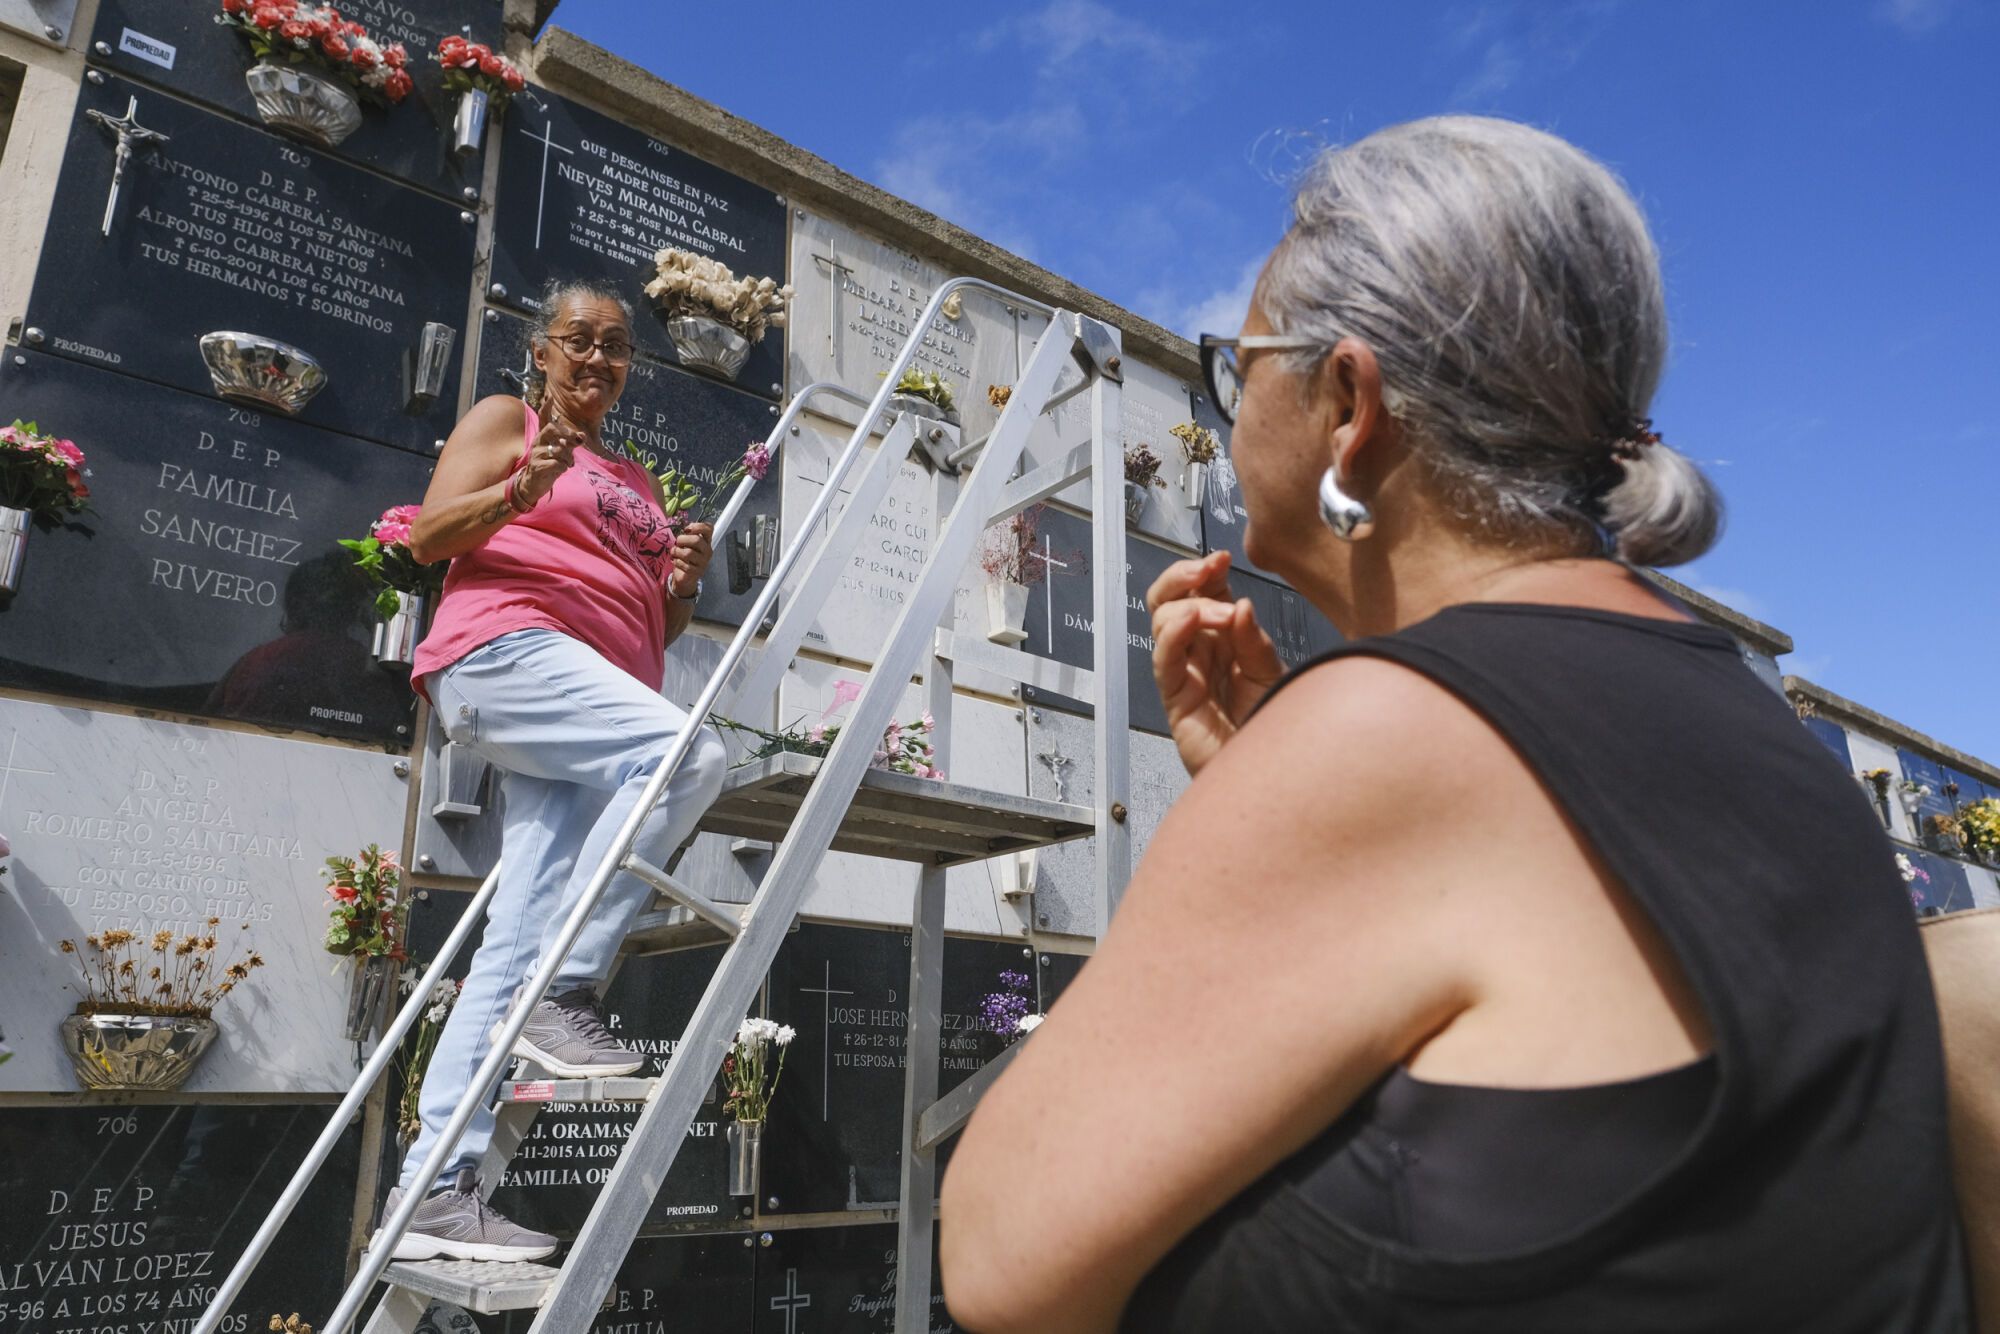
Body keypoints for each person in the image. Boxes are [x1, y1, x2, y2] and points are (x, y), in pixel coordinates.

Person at [939, 116, 1966, 1332]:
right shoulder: (1758, 735)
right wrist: (1263, 789)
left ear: (1347, 404)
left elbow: (1003, 1254)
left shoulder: (1384, 738)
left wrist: (1296, 781)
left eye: (1238, 363)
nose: (1225, 408)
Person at [376, 278, 728, 1263]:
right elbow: (428, 533)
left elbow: (653, 625)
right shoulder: (507, 418)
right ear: (542, 349)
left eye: (615, 347)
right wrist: (514, 489)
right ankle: (566, 989)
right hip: (504, 651)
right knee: (688, 751)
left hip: (585, 699)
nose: (597, 359)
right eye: (579, 339)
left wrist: (682, 584)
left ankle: (434, 1189)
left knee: (511, 939)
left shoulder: (640, 482)